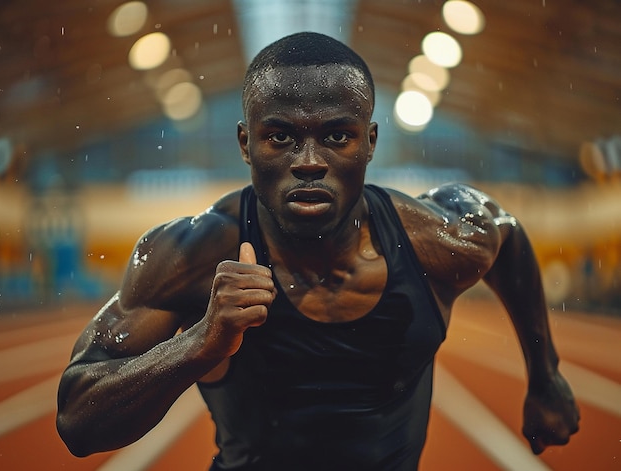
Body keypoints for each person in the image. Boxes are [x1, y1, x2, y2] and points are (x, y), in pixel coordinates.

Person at [56, 32, 579, 470]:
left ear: (370, 142)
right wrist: (200, 343)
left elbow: (505, 232)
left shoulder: (434, 241)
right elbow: (77, 419)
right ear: (245, 143)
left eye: (336, 136)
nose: (309, 161)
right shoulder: (187, 255)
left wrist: (545, 373)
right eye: (280, 137)